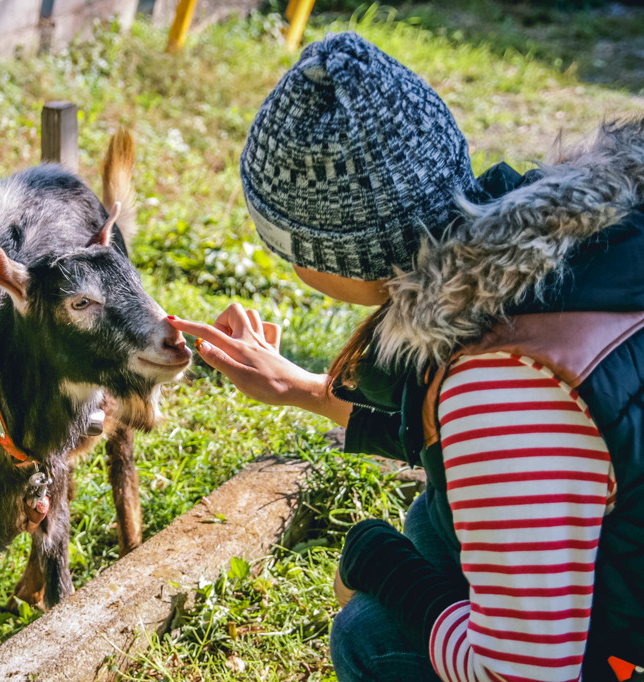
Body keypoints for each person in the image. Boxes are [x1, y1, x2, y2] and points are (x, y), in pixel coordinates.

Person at [169, 32, 644, 682]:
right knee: (434, 521)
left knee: (371, 633)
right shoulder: (581, 244)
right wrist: (302, 387)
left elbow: (526, 675)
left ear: (329, 254)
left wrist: (378, 564)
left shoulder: (501, 379)